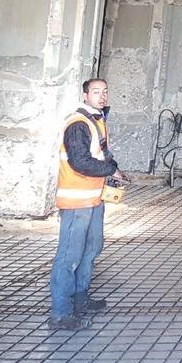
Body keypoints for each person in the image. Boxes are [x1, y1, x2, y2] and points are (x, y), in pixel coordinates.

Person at [49, 78, 124, 330]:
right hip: (76, 201)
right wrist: (110, 170)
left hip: (94, 199)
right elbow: (79, 161)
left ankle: (80, 299)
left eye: (105, 91)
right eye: (96, 92)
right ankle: (60, 313)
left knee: (91, 250)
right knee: (69, 256)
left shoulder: (97, 120)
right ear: (85, 95)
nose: (102, 96)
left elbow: (100, 154)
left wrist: (113, 169)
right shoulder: (78, 123)